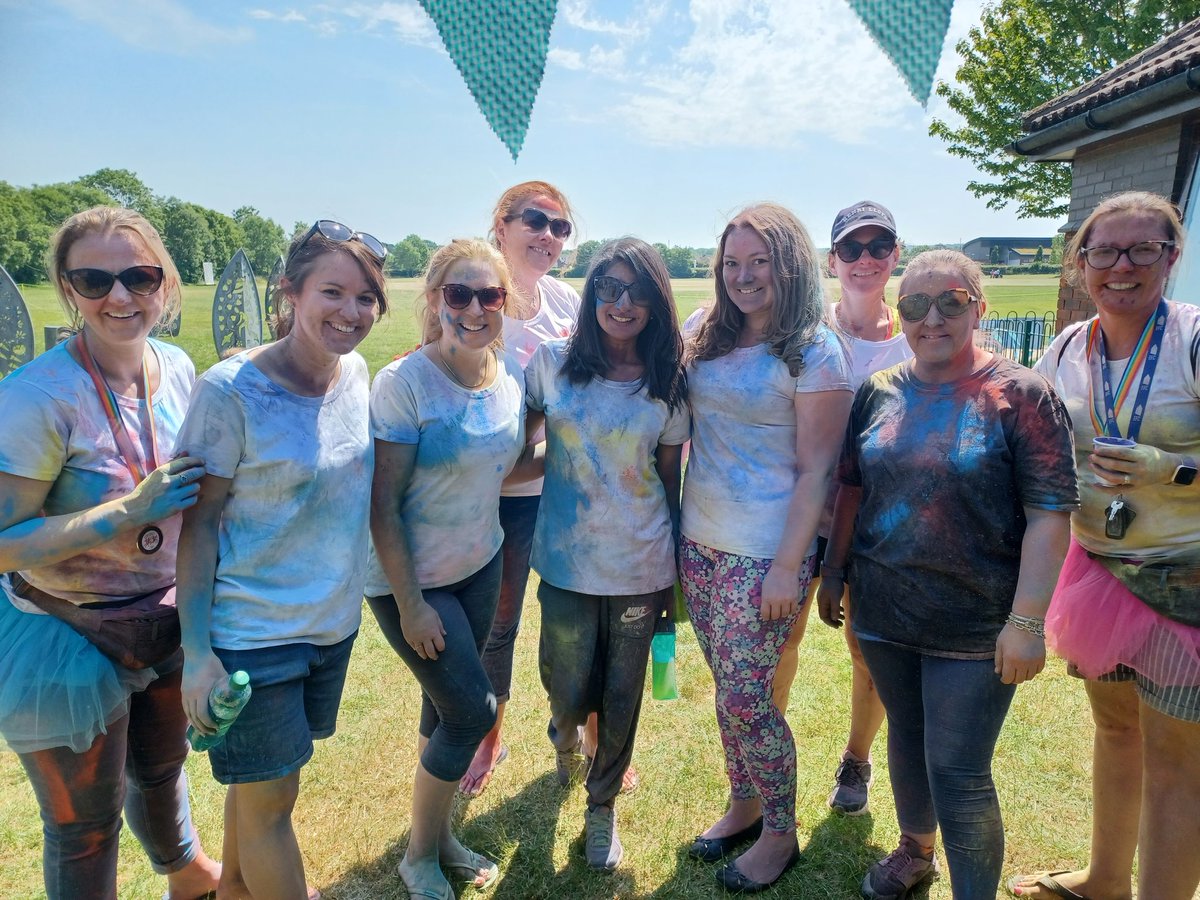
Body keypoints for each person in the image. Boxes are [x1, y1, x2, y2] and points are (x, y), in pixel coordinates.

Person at [818, 249, 1077, 899]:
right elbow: (852, 489)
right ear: (900, 312)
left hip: (975, 624)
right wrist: (834, 571)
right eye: (915, 305)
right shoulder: (878, 391)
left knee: (959, 770)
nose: (931, 318)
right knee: (907, 736)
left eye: (950, 302)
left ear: (978, 307)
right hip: (884, 612)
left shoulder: (1023, 396)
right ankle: (915, 851)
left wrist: (1027, 623)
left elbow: (1050, 516)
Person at [0, 207, 221, 900]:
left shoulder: (178, 367)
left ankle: (189, 876)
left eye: (139, 277)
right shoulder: (37, 397)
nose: (119, 296)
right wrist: (126, 512)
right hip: (64, 629)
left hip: (163, 612)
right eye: (95, 280)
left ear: (165, 282)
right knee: (84, 827)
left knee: (161, 770)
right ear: (68, 288)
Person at [176, 219, 388, 899]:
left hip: (330, 626)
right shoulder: (229, 391)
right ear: (290, 292)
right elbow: (197, 526)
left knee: (258, 787)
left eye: (366, 298)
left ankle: (235, 889)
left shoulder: (357, 374)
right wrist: (196, 654)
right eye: (333, 291)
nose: (351, 311)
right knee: (273, 807)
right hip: (254, 635)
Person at [1010, 191, 1200, 900]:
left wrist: (1171, 469)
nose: (1122, 266)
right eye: (1104, 251)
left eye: (1142, 249)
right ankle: (1105, 880)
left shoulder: (1191, 340)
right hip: (1099, 575)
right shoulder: (1066, 348)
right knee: (1115, 729)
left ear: (1171, 257)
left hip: (1185, 582)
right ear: (1081, 264)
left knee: (1177, 763)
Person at [681, 203, 853, 893]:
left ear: (791, 266)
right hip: (700, 540)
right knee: (729, 694)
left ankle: (780, 832)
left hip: (764, 552)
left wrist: (788, 567)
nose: (744, 276)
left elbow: (818, 470)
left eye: (761, 262)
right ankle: (743, 804)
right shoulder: (705, 331)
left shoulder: (815, 350)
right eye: (733, 263)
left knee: (749, 697)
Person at [365, 239, 525, 899]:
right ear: (434, 300)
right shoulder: (404, 384)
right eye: (459, 293)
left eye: (490, 294)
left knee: (444, 706)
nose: (475, 308)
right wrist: (411, 605)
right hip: (413, 581)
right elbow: (382, 508)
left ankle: (441, 837)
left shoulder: (506, 377)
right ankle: (418, 857)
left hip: (480, 564)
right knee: (470, 712)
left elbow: (503, 465)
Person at [526, 238, 688, 870]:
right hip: (566, 563)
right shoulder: (551, 364)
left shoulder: (667, 382)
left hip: (640, 564)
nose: (623, 303)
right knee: (565, 685)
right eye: (610, 289)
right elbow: (515, 448)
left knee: (622, 694)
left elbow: (668, 479)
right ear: (591, 293)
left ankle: (602, 807)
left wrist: (673, 576)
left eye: (637, 292)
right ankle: (563, 733)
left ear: (655, 303)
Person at [771, 200, 910, 818]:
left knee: (866, 648)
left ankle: (857, 759)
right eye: (851, 248)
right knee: (783, 638)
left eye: (878, 246)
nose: (865, 259)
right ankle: (766, 753)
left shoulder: (913, 338)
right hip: (803, 515)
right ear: (832, 261)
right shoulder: (805, 334)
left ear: (895, 256)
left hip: (879, 524)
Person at [459, 180, 591, 797]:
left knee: (580, 614)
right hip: (499, 499)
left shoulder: (568, 302)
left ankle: (590, 734)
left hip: (563, 492)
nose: (549, 236)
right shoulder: (477, 295)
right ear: (501, 226)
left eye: (560, 227)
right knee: (499, 623)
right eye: (535, 221)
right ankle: (489, 738)